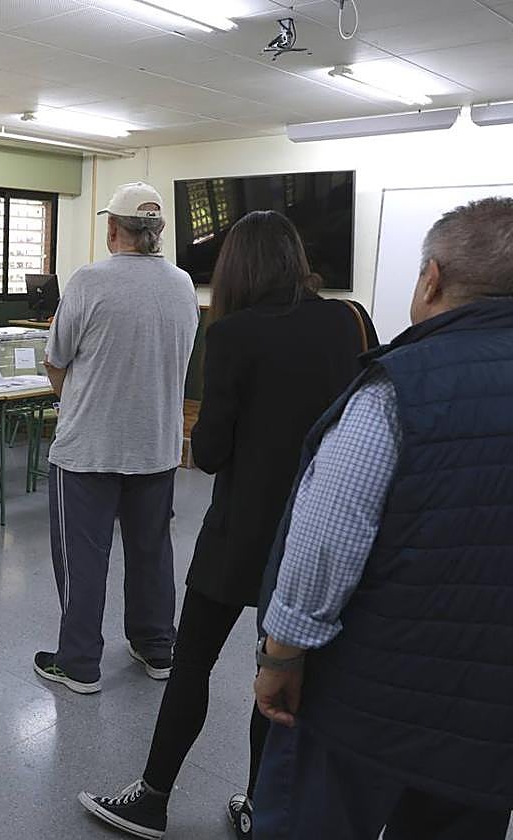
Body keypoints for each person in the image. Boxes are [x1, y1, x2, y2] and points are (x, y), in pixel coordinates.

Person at [77, 211, 378, 839]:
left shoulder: (236, 334)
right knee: (280, 671)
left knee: (192, 665)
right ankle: (259, 805)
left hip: (240, 532)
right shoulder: (350, 320)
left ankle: (153, 798)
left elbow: (211, 452)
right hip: (313, 532)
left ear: (238, 267)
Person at [251, 197, 513, 840]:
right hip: (491, 720)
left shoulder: (401, 387)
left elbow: (327, 539)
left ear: (432, 278)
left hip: (365, 699)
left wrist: (282, 655)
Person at [33, 181, 198, 694]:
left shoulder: (88, 281)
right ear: (159, 230)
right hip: (156, 445)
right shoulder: (183, 285)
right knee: (152, 550)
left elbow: (56, 362)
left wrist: (79, 400)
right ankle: (157, 647)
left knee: (84, 558)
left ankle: (79, 663)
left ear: (112, 228)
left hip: (88, 451)